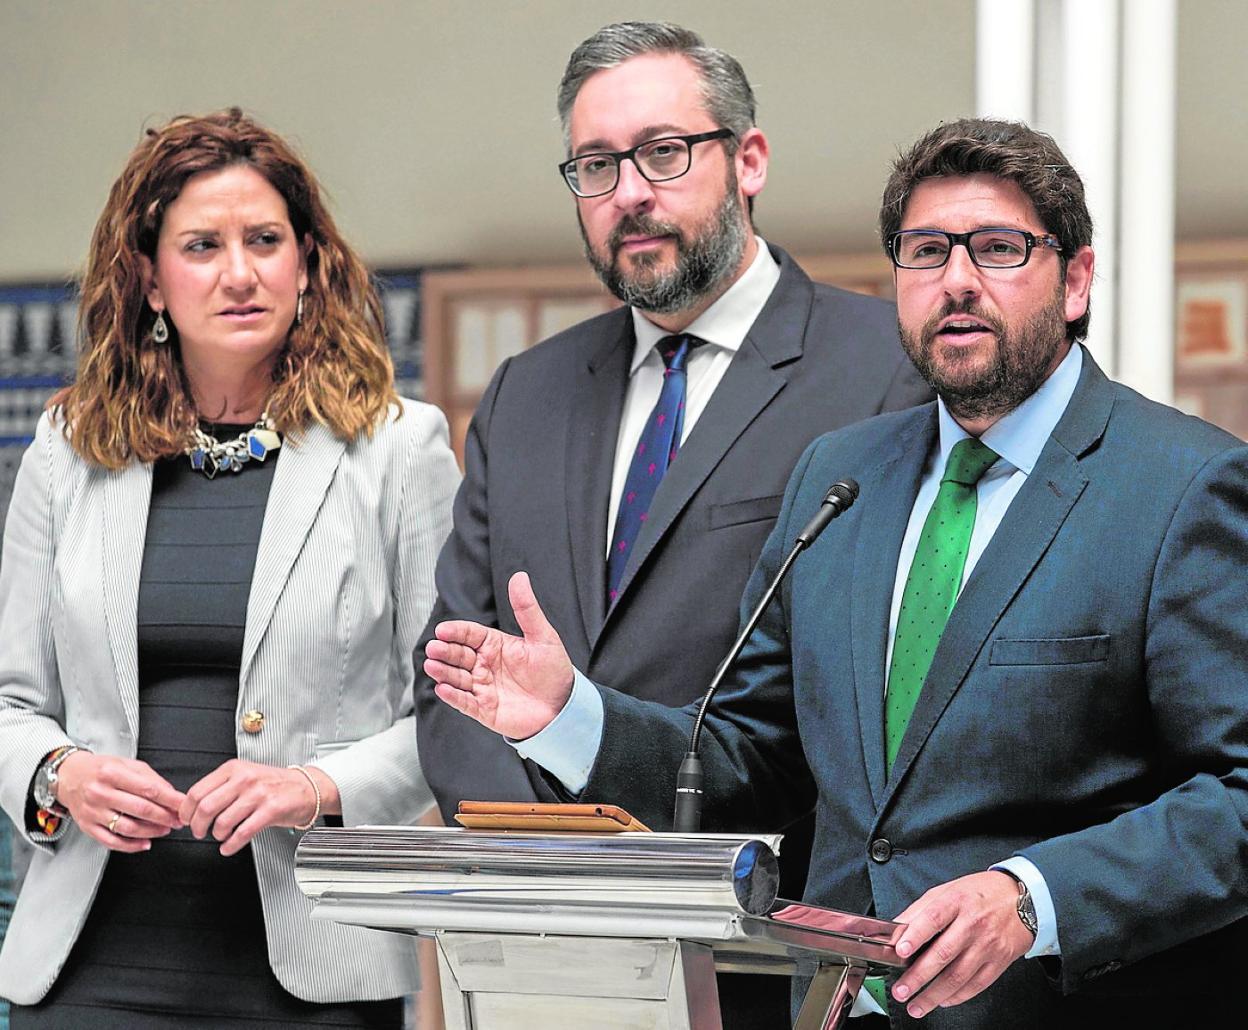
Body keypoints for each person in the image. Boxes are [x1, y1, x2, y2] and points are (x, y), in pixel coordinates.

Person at [425, 117, 1248, 1028]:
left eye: (1001, 249)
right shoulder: (840, 479)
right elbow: (751, 762)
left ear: (1077, 279)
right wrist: (570, 718)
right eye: (927, 252)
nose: (959, 281)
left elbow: (1236, 798)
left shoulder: (1185, 485)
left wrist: (1032, 900)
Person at [414, 23, 930, 1025]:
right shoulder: (527, 391)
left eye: (662, 152)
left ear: (749, 160)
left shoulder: (885, 372)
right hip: (541, 957)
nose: (630, 193)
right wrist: (549, 870)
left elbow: (879, 701)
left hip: (774, 952)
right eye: (596, 166)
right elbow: (452, 676)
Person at [0, 108, 459, 1028]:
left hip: (316, 970)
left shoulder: (401, 450)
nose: (240, 272)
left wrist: (317, 787)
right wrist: (58, 774)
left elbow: (448, 717)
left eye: (265, 240)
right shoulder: (67, 450)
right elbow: (10, 701)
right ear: (151, 279)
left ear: (307, 264)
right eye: (202, 245)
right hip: (91, 969)